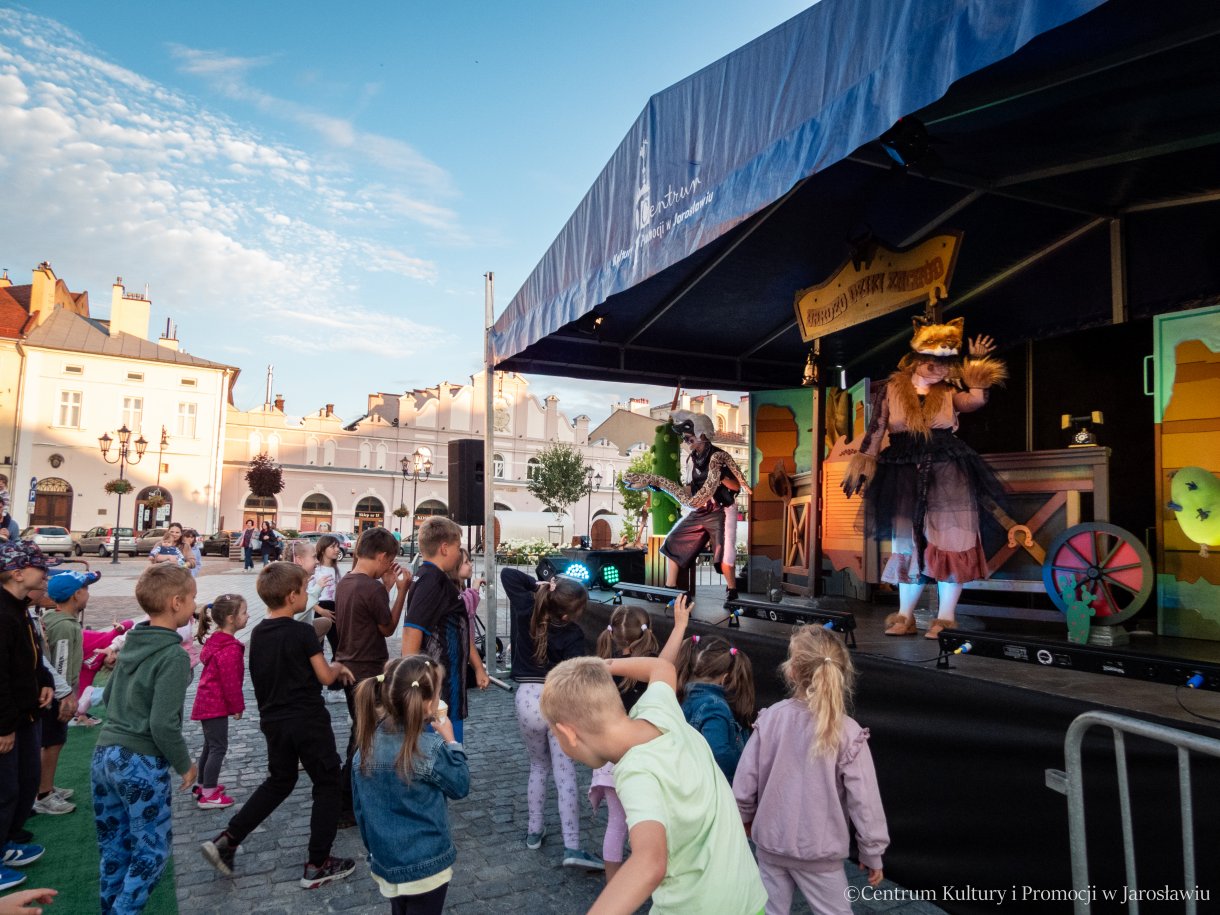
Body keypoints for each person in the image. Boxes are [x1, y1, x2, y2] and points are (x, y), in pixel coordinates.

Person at [540, 655, 766, 915]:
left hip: (697, 906)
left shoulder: (636, 773)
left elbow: (649, 863)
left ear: (568, 733)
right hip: (748, 897)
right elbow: (662, 667)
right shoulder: (660, 710)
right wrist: (601, 666)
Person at [843, 318, 1007, 639]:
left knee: (951, 537)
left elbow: (976, 400)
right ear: (920, 360)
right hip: (904, 466)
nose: (943, 370)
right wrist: (864, 464)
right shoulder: (892, 389)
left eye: (948, 364)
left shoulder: (948, 392)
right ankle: (905, 616)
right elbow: (877, 429)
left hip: (947, 467)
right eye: (937, 364)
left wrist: (976, 365)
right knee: (907, 541)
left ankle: (945, 618)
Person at [202, 562, 356, 889]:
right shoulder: (301, 632)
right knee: (328, 783)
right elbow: (326, 677)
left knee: (280, 780)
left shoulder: (258, 632)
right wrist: (339, 666)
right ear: (291, 596)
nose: (306, 594)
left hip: (274, 722)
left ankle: (229, 839)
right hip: (308, 720)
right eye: (303, 590)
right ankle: (318, 863)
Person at [733, 626, 889, 914]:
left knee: (769, 910)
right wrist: (872, 851)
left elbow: (745, 781)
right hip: (820, 852)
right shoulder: (848, 732)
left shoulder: (772, 720)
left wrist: (743, 817)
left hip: (770, 844)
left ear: (792, 671)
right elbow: (865, 801)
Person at [91, 563, 198, 914]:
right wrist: (184, 764)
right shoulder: (173, 656)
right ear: (177, 602)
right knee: (151, 852)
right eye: (192, 599)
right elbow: (163, 724)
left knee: (114, 845)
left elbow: (107, 699)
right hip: (139, 761)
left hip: (104, 754)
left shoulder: (132, 643)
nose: (195, 607)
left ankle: (111, 908)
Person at [351, 656, 470, 914]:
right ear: (428, 704)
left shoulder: (365, 750)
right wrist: (452, 742)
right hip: (427, 865)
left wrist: (374, 852)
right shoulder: (431, 750)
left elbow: (360, 809)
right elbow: (460, 785)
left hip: (387, 860)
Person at [502, 566, 601, 871]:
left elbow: (507, 574)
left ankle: (534, 831)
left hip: (526, 700)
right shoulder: (572, 633)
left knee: (537, 766)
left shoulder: (527, 609)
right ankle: (572, 845)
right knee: (564, 772)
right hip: (556, 702)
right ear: (569, 615)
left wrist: (540, 584)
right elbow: (575, 676)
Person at [590, 600, 690, 881]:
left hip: (611, 761)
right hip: (643, 763)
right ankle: (652, 877)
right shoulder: (649, 674)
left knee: (616, 824)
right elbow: (664, 663)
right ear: (647, 633)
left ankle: (614, 883)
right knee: (649, 824)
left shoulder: (602, 668)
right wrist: (681, 623)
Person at [336, 528, 411, 825]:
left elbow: (368, 617)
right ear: (382, 557)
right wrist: (401, 591)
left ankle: (351, 796)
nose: (387, 568)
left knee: (360, 731)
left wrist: (387, 587)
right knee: (365, 736)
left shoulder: (347, 582)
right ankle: (345, 803)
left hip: (349, 669)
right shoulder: (371, 588)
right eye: (388, 561)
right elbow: (387, 627)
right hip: (368, 671)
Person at [0, 542, 57, 892]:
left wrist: (45, 681)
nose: (45, 572)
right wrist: (3, 726)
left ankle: (5, 843)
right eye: (39, 567)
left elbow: (33, 655)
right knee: (4, 790)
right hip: (8, 720)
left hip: (27, 713)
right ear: (18, 573)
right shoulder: (3, 614)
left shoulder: (20, 609)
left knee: (22, 782)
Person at [658, 411, 750, 604]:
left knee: (724, 554)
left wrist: (718, 476)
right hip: (701, 509)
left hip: (723, 509)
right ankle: (670, 588)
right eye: (686, 439)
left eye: (690, 438)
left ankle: (732, 590)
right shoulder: (691, 459)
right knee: (673, 541)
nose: (687, 441)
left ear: (702, 435)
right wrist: (666, 487)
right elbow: (691, 487)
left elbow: (736, 486)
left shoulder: (720, 456)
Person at [35, 571, 100, 816]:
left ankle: (45, 785)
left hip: (55, 693)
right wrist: (67, 695)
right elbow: (60, 665)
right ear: (76, 595)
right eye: (85, 588)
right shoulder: (64, 626)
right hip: (56, 696)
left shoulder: (58, 620)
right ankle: (43, 793)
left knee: (53, 741)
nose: (88, 593)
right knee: (53, 742)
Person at [402, 518, 470, 744]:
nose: (459, 553)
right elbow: (412, 631)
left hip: (445, 687)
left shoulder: (433, 577)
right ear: (444, 548)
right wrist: (415, 687)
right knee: (444, 757)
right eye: (458, 546)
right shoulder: (432, 580)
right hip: (439, 693)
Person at [667, 610, 756, 781]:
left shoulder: (678, 696)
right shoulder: (714, 707)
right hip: (714, 791)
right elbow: (719, 752)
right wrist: (745, 769)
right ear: (726, 677)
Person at [190, 594, 248, 810]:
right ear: (231, 618)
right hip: (215, 705)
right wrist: (237, 707)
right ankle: (208, 793)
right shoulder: (230, 648)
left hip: (207, 702)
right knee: (218, 747)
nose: (248, 615)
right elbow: (230, 683)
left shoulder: (217, 641)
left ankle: (203, 784)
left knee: (210, 745)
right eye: (244, 612)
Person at [448, 549, 490, 692]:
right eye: (466, 562)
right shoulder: (453, 592)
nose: (470, 564)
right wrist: (475, 589)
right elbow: (466, 608)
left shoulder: (460, 587)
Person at [286, 540, 332, 644]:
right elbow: (296, 614)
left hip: (297, 630)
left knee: (325, 622)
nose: (317, 561)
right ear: (299, 560)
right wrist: (317, 589)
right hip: (289, 636)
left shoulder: (301, 580)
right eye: (314, 557)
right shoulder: (290, 583)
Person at [312, 534, 343, 657]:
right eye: (333, 547)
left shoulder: (336, 569)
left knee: (338, 645)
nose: (337, 549)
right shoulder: (316, 569)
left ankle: (336, 673)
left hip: (334, 609)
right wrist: (321, 611)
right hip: (318, 608)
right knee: (317, 648)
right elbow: (307, 594)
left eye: (338, 547)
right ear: (323, 549)